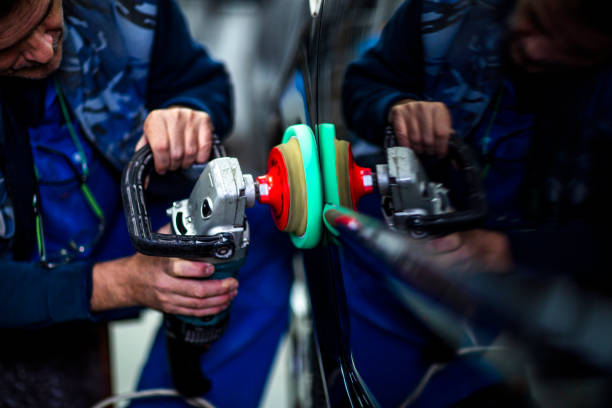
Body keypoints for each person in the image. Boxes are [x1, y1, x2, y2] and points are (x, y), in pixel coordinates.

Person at [342, 0, 612, 406]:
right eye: (535, 21)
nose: (537, 50)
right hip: (411, 252)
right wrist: (394, 108)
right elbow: (362, 88)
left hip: (548, 302)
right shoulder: (442, 13)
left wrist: (512, 249)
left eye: (576, 51)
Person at [0, 0, 259, 406]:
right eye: (9, 46)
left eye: (45, 15)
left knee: (240, 245)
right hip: (19, 279)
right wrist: (118, 284)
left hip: (115, 217)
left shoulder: (127, 8)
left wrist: (188, 113)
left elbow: (203, 83)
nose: (45, 51)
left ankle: (175, 398)